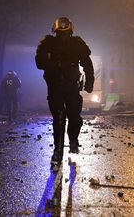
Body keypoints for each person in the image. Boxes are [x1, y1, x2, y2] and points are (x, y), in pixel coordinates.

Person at [36, 17, 94, 164]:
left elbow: (87, 63)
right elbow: (39, 62)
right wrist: (49, 57)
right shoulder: (47, 43)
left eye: (66, 33)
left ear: (70, 32)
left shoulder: (77, 43)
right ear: (55, 32)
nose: (63, 36)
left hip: (72, 85)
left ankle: (73, 138)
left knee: (74, 116)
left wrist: (89, 81)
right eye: (60, 33)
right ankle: (58, 151)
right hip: (54, 85)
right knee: (59, 117)